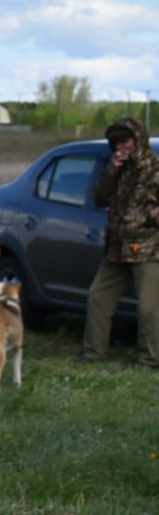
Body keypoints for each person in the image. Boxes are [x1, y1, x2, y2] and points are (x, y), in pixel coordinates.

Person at [83, 117, 159, 366]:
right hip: (116, 248)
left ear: (138, 140)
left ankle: (150, 358)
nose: (120, 147)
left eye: (125, 141)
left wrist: (147, 218)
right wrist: (111, 172)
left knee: (149, 308)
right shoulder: (119, 170)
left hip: (147, 248)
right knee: (98, 296)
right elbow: (100, 199)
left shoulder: (154, 169)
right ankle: (94, 353)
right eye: (116, 143)